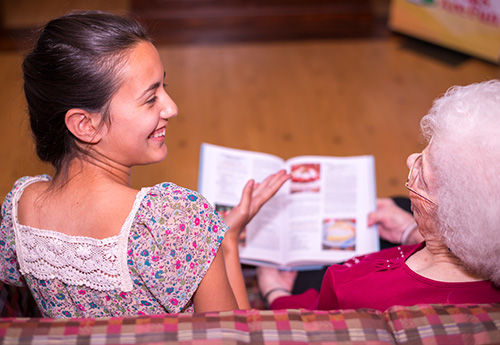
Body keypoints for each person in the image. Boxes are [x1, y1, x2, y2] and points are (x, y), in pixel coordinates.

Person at [0, 11, 290, 318]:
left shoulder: (19, 206)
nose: (172, 108)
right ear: (85, 124)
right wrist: (226, 242)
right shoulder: (173, 219)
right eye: (151, 98)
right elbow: (233, 334)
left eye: (164, 87)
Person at [258, 80, 500, 311]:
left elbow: (309, 322)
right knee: (398, 203)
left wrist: (275, 292)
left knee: (307, 274)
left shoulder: (352, 289)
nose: (410, 159)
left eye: (423, 172)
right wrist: (409, 231)